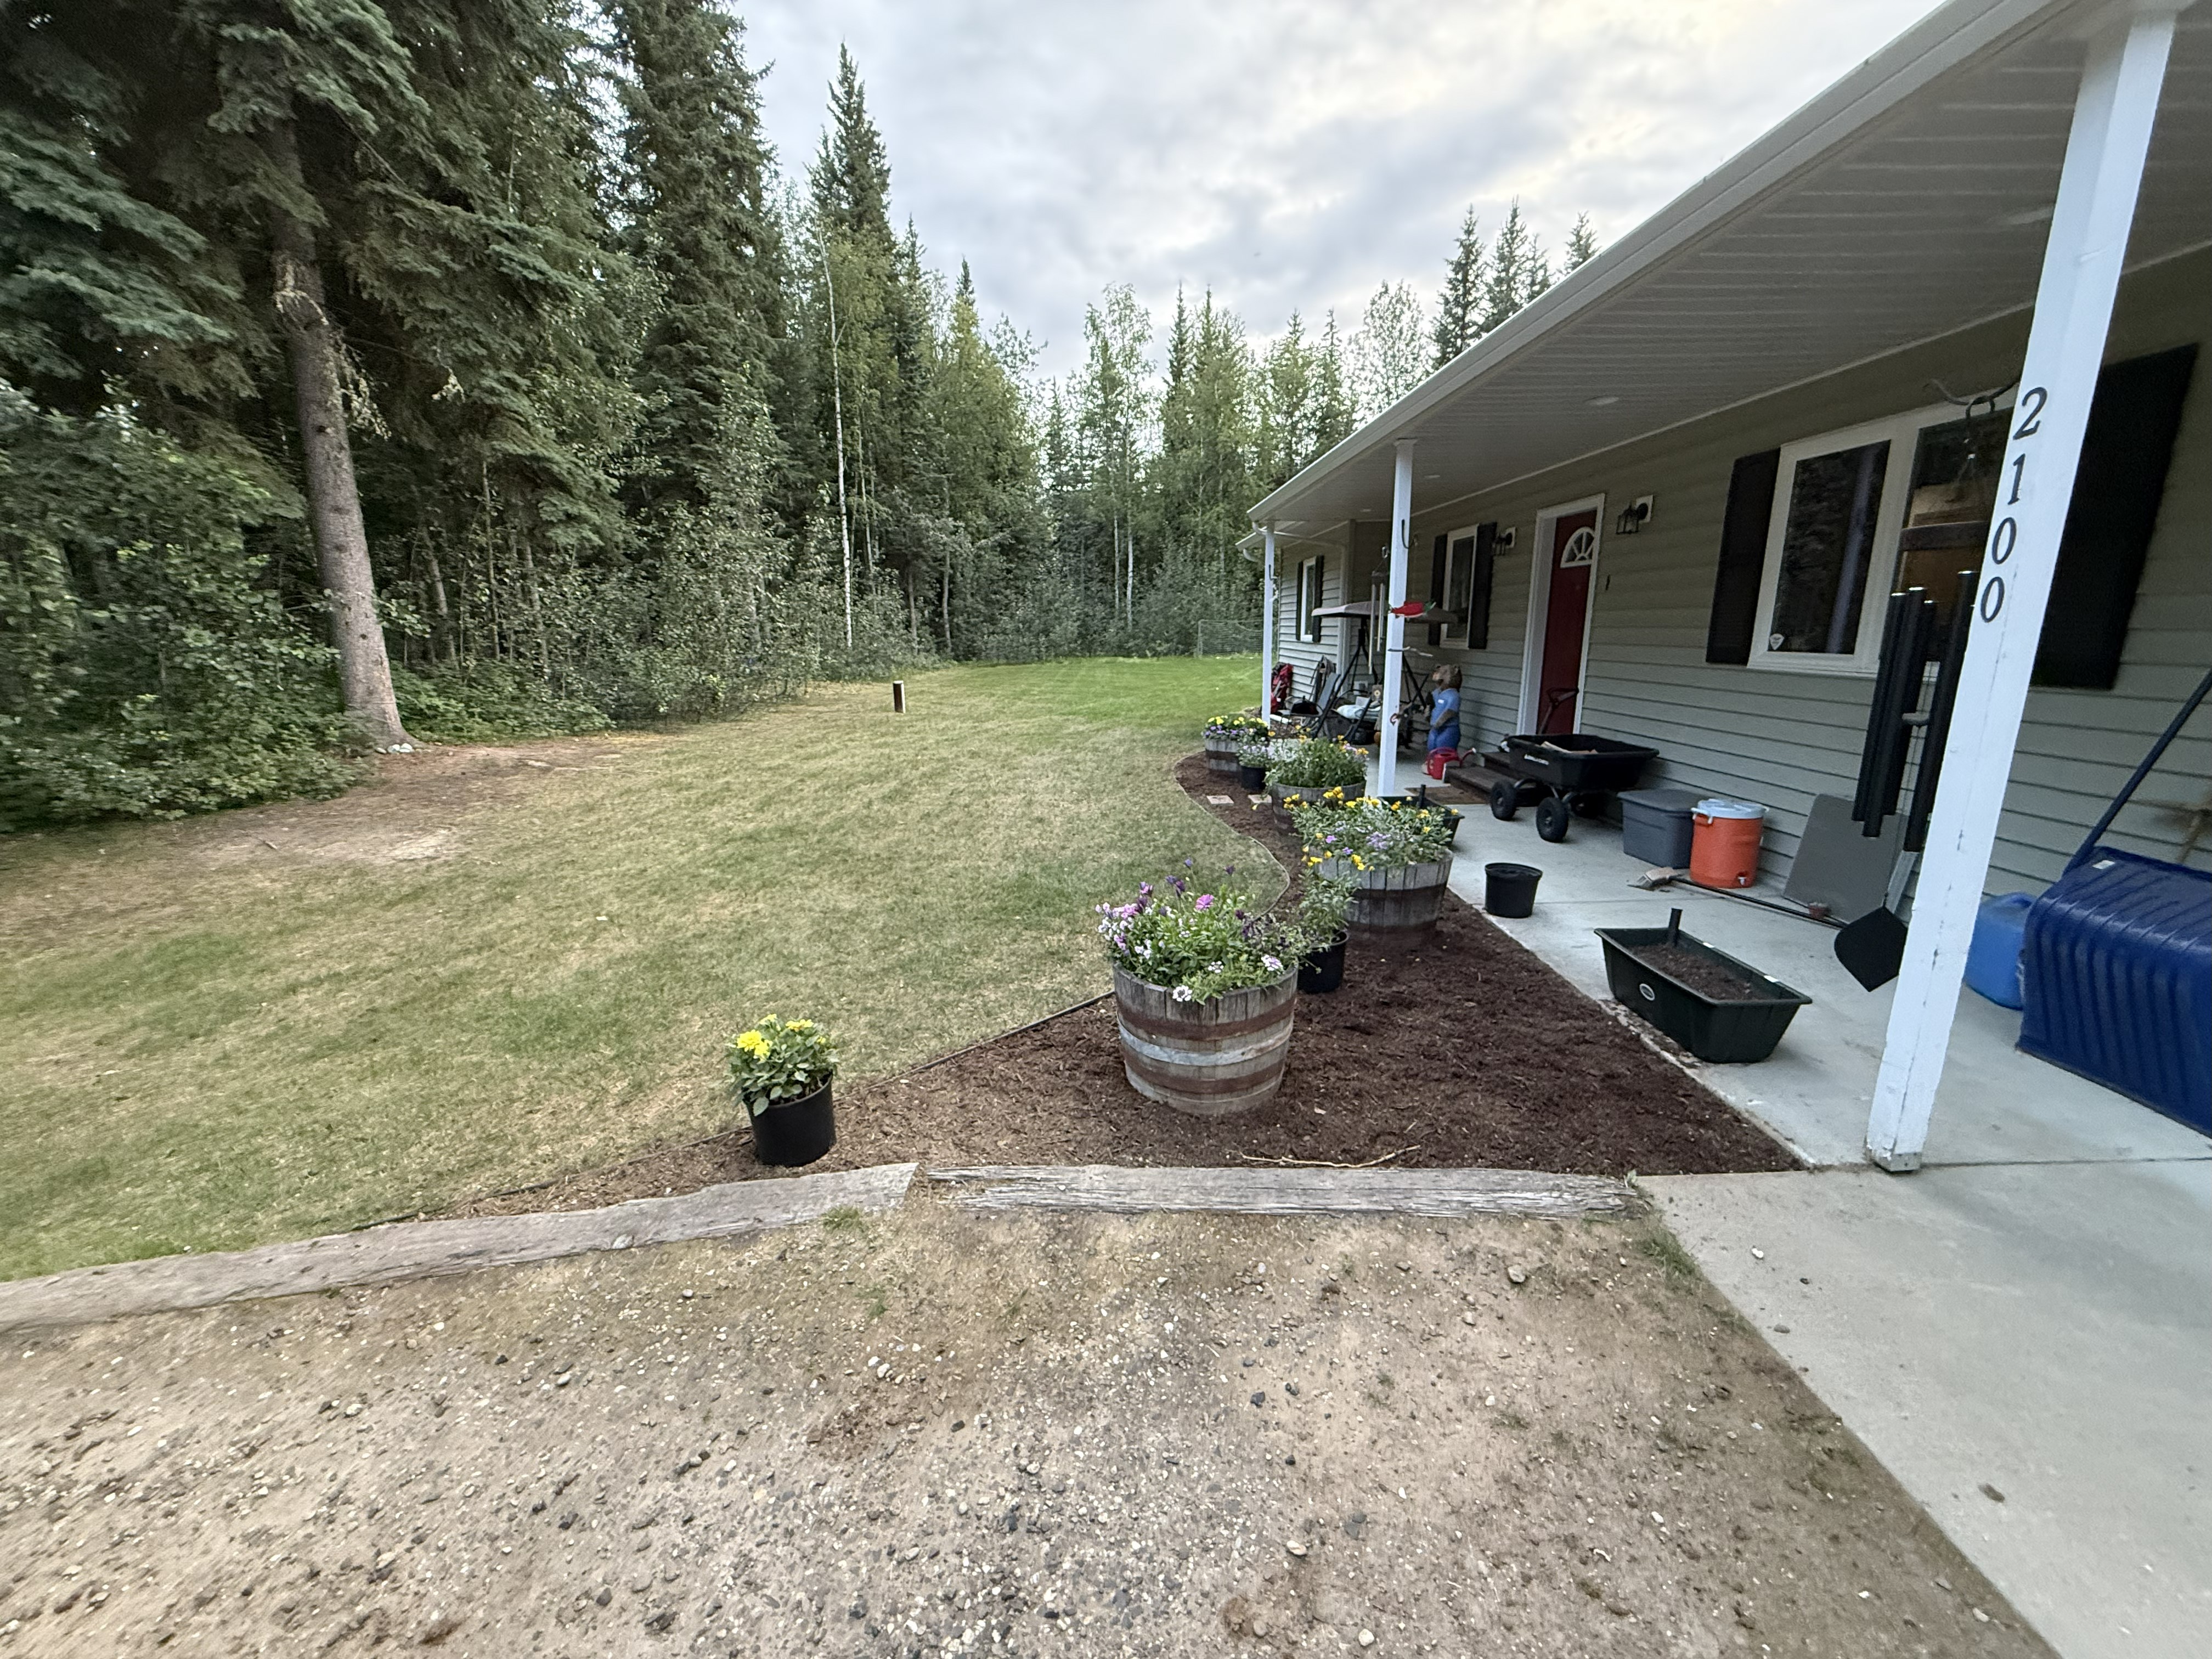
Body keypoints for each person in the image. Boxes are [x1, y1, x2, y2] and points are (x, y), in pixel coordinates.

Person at [1424, 664, 1462, 780]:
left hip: (1448, 728)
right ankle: (1432, 766)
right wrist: (1428, 710)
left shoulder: (1454, 695)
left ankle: (1443, 769)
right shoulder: (1437, 693)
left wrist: (1440, 722)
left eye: (1444, 672)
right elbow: (1432, 704)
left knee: (1443, 747)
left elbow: (1451, 711)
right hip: (1435, 728)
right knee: (1432, 745)